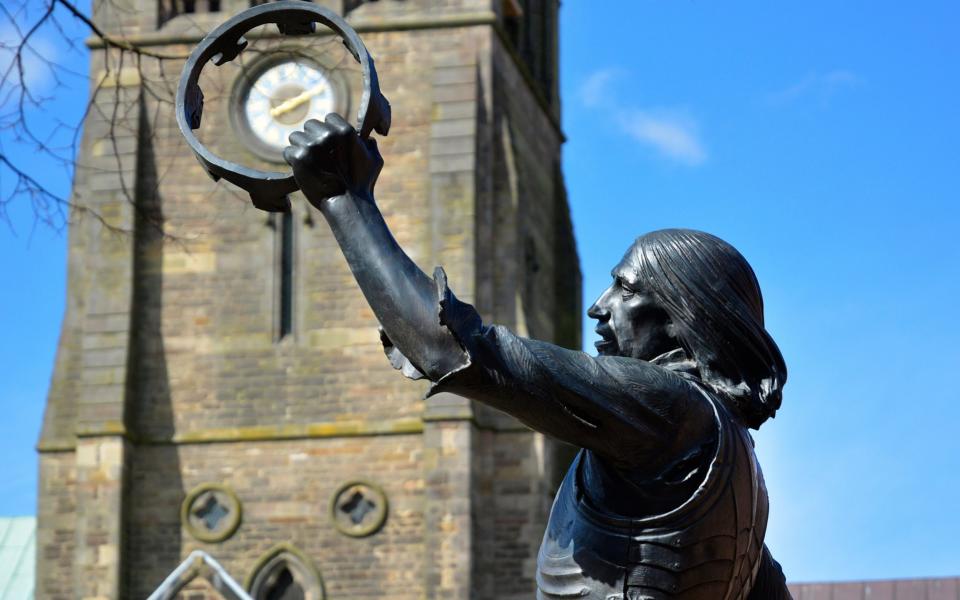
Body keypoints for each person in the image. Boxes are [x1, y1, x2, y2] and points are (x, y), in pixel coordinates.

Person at [284, 114, 793, 599]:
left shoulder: (665, 406)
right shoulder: (740, 472)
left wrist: (344, 198)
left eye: (625, 289)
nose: (599, 307)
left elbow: (449, 349)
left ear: (686, 319)